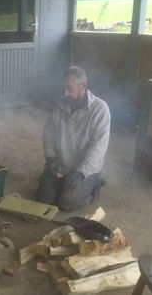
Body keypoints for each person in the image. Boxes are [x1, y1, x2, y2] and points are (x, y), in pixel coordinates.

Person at [36, 66, 111, 211]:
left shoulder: (100, 109)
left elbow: (98, 147)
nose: (65, 93)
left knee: (67, 203)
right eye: (63, 89)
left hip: (84, 170)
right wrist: (50, 158)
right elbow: (48, 134)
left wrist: (81, 172)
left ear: (83, 86)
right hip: (61, 166)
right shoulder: (60, 105)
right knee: (44, 199)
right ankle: (63, 186)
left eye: (69, 89)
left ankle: (94, 186)